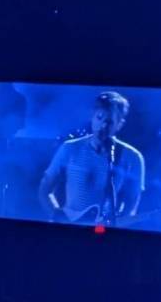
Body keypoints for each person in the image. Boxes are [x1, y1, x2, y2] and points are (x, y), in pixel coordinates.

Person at [38, 89, 144, 224]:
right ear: (92, 117)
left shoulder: (133, 157)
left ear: (120, 125)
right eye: (99, 118)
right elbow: (44, 189)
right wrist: (57, 215)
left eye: (110, 122)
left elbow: (130, 208)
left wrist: (116, 227)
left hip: (102, 231)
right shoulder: (70, 148)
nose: (103, 125)